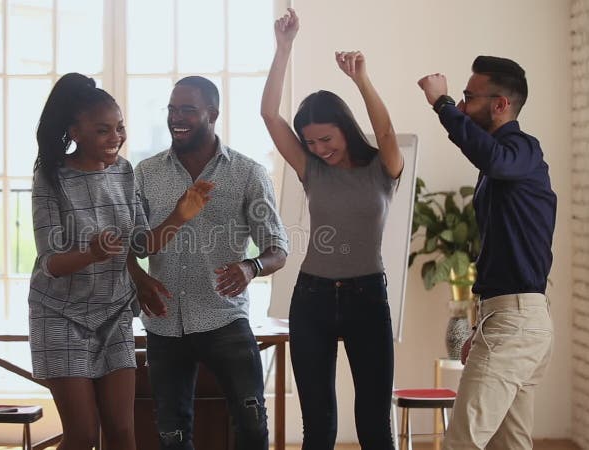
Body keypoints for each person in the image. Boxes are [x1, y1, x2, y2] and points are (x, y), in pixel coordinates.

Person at [28, 73, 212, 450]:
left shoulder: (124, 171)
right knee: (82, 436)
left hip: (113, 313)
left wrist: (180, 215)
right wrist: (90, 254)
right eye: (103, 130)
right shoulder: (51, 176)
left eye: (120, 128)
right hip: (61, 315)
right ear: (75, 132)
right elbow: (50, 262)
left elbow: (143, 246)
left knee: (123, 433)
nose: (115, 138)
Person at [260, 9, 403, 450]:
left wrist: (361, 80)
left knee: (375, 425)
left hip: (367, 297)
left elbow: (384, 129)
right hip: (314, 298)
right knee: (318, 426)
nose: (321, 150)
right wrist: (284, 49)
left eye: (328, 139)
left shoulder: (383, 168)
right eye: (312, 143)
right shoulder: (311, 170)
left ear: (345, 128)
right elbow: (269, 115)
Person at [127, 75, 288, 450]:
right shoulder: (146, 173)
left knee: (251, 427)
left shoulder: (247, 173)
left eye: (188, 110)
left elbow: (277, 247)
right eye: (172, 109)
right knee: (172, 433)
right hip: (165, 323)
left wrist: (251, 268)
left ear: (213, 113)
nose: (176, 118)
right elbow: (134, 246)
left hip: (225, 319)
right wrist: (174, 222)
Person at [418, 56, 556, 450]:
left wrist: (441, 104)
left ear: (500, 105)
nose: (461, 105)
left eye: (468, 97)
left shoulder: (522, 151)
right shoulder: (503, 166)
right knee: (509, 444)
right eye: (459, 98)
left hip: (517, 321)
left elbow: (493, 157)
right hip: (509, 318)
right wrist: (481, 326)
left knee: (462, 442)